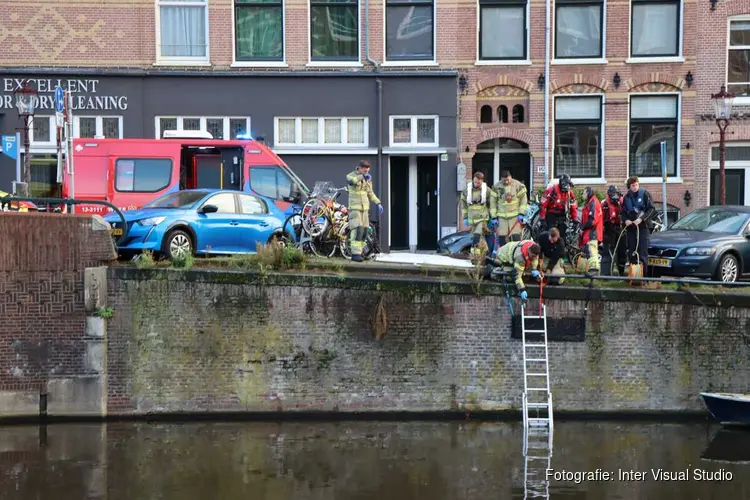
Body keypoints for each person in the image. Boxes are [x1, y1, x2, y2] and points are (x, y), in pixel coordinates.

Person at [346, 160, 383, 262]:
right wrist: (362, 177)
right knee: (357, 230)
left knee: (365, 231)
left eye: (368, 171)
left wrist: (378, 203)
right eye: (365, 170)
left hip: (365, 209)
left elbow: (370, 193)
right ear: (360, 168)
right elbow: (351, 181)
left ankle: (360, 252)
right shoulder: (352, 175)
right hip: (355, 208)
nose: (366, 172)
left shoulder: (368, 179)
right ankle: (355, 254)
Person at [621, 176, 655, 276]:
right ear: (629, 187)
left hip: (643, 228)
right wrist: (626, 220)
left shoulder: (645, 194)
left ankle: (644, 277)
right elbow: (622, 213)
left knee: (643, 252)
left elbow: (651, 209)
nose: (635, 187)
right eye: (633, 185)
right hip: (631, 228)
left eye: (636, 185)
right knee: (632, 252)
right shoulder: (626, 198)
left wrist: (641, 219)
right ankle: (633, 276)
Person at [461, 171, 497, 261]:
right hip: (473, 220)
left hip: (483, 219)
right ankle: (484, 255)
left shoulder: (487, 190)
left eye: (479, 182)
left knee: (476, 237)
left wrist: (493, 217)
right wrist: (465, 217)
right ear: (473, 179)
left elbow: (492, 203)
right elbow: (463, 204)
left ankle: (475, 258)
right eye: (476, 182)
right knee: (474, 238)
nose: (477, 184)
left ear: (482, 181)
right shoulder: (467, 190)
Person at [492, 170, 528, 250]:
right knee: (502, 240)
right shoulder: (496, 187)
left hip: (515, 217)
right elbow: (493, 203)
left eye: (508, 179)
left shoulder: (518, 185)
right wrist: (494, 217)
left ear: (510, 176)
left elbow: (523, 200)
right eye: (504, 180)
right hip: (502, 217)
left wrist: (521, 213)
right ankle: (503, 257)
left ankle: (516, 255)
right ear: (501, 179)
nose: (507, 181)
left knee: (516, 239)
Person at [539, 173, 579, 242]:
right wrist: (542, 218)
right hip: (551, 215)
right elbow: (543, 204)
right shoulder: (551, 190)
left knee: (562, 235)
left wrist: (575, 219)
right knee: (551, 234)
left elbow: (573, 206)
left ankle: (561, 249)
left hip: (563, 215)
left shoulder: (570, 193)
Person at [601, 185, 626, 276]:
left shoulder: (622, 202)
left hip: (620, 228)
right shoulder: (604, 204)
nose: (615, 197)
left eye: (616, 195)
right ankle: (606, 273)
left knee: (621, 251)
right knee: (607, 252)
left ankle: (621, 272)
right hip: (608, 228)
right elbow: (601, 219)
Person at [579, 187, 603, 275]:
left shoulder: (593, 203)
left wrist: (582, 227)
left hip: (592, 233)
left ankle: (594, 271)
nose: (582, 195)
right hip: (590, 232)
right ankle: (594, 272)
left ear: (588, 193)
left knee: (591, 250)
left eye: (584, 193)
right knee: (591, 252)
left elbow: (592, 220)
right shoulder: (590, 203)